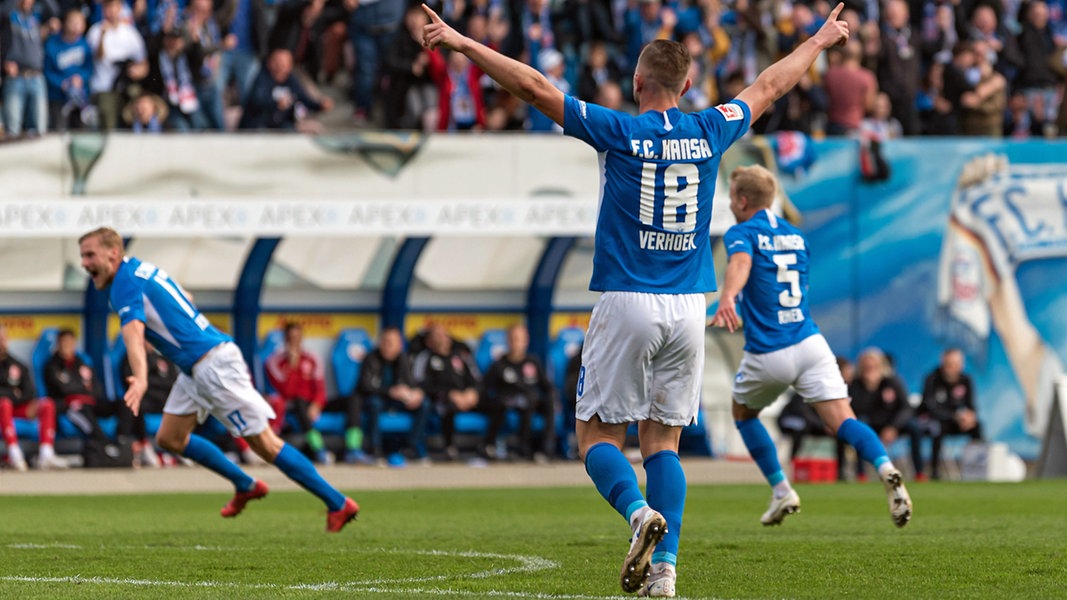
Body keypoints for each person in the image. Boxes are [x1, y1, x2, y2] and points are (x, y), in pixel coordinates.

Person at [422, 4, 850, 596]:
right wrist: (822, 38)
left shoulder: (619, 130)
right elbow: (772, 83)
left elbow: (534, 85)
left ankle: (636, 514)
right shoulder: (711, 129)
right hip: (687, 308)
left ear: (638, 84)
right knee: (663, 443)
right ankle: (666, 569)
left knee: (596, 438)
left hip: (628, 299)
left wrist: (462, 42)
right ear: (688, 86)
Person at [78, 227, 359, 532]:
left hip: (213, 368)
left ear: (113, 254)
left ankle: (338, 502)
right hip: (195, 368)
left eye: (90, 255)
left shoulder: (123, 282)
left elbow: (133, 334)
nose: (84, 262)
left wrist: (141, 378)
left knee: (265, 445)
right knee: (170, 438)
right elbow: (185, 296)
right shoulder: (140, 269)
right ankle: (244, 484)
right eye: (82, 256)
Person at [711, 165, 912, 531]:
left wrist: (728, 295)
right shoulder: (796, 236)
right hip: (809, 343)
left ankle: (781, 488)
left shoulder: (741, 233)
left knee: (743, 415)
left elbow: (741, 263)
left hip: (769, 352)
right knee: (844, 421)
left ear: (742, 200)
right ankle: (886, 468)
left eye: (731, 199)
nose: (730, 205)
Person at [43, 328, 135, 463]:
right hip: (70, 406)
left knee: (125, 403)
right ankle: (106, 445)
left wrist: (80, 388)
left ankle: (122, 440)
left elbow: (96, 389)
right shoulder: (52, 365)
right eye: (64, 342)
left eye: (70, 342)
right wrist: (83, 387)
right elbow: (65, 390)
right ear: (58, 344)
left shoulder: (82, 363)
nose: (67, 346)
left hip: (92, 402)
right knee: (83, 412)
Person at [481, 324, 557, 462]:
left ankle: (547, 450)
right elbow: (485, 388)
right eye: (513, 339)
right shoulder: (500, 364)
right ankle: (516, 448)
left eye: (519, 339)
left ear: (526, 341)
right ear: (508, 341)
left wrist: (554, 398)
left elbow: (547, 386)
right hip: (508, 402)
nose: (516, 343)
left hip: (532, 400)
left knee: (548, 403)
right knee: (520, 404)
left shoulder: (532, 362)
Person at [355, 326, 429, 465]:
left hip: (398, 400)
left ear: (399, 345)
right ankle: (375, 449)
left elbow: (413, 383)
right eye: (385, 341)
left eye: (391, 343)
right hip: (378, 399)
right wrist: (390, 391)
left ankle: (411, 447)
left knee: (424, 404)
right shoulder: (371, 358)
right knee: (374, 403)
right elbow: (365, 386)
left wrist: (416, 393)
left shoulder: (404, 359)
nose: (387, 346)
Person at [263, 321, 332, 465]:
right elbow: (287, 392)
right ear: (285, 339)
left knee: (353, 400)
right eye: (291, 338)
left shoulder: (312, 358)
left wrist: (317, 405)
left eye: (297, 338)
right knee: (299, 401)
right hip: (289, 403)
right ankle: (318, 448)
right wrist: (292, 366)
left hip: (309, 403)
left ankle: (354, 450)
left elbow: (320, 387)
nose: (295, 342)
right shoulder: (274, 361)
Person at [411, 323, 481, 461]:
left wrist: (473, 392)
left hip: (465, 397)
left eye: (444, 335)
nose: (442, 339)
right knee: (446, 407)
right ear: (429, 341)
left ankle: (489, 446)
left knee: (496, 403)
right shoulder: (425, 358)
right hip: (441, 400)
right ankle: (449, 448)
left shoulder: (461, 357)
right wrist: (449, 394)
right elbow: (421, 385)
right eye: (437, 336)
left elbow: (477, 379)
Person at [910, 348, 982, 480]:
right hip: (935, 420)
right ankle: (935, 471)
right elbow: (931, 407)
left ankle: (979, 467)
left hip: (957, 422)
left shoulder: (966, 380)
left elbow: (971, 405)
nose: (951, 368)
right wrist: (955, 416)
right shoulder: (932, 378)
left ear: (961, 365)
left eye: (955, 364)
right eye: (948, 364)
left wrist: (970, 417)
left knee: (977, 426)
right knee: (937, 428)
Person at [0, 324, 61, 471]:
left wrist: (12, 395)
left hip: (17, 408)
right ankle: (14, 453)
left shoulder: (18, 365)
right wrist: (12, 393)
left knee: (47, 404)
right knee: (4, 403)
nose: (1, 342)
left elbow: (29, 393)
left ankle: (46, 454)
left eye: (3, 338)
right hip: (3, 408)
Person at [846, 347, 913, 480]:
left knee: (914, 427)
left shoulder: (893, 382)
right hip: (869, 423)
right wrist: (870, 388)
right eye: (866, 367)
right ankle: (861, 474)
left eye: (873, 367)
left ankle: (920, 473)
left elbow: (906, 408)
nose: (870, 370)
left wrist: (894, 427)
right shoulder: (856, 384)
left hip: (891, 423)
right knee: (860, 427)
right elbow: (855, 409)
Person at [776, 357, 852, 461]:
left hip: (814, 423)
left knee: (839, 432)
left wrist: (830, 425)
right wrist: (824, 424)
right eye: (847, 370)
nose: (850, 373)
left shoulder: (841, 390)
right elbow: (802, 411)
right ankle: (793, 464)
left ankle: (840, 470)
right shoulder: (814, 384)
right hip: (790, 418)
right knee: (801, 427)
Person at [0, 0, 51, 137]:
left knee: (40, 127)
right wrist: (3, 62)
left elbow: (54, 11)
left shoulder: (37, 15)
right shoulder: (7, 15)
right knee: (12, 128)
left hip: (36, 75)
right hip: (15, 77)